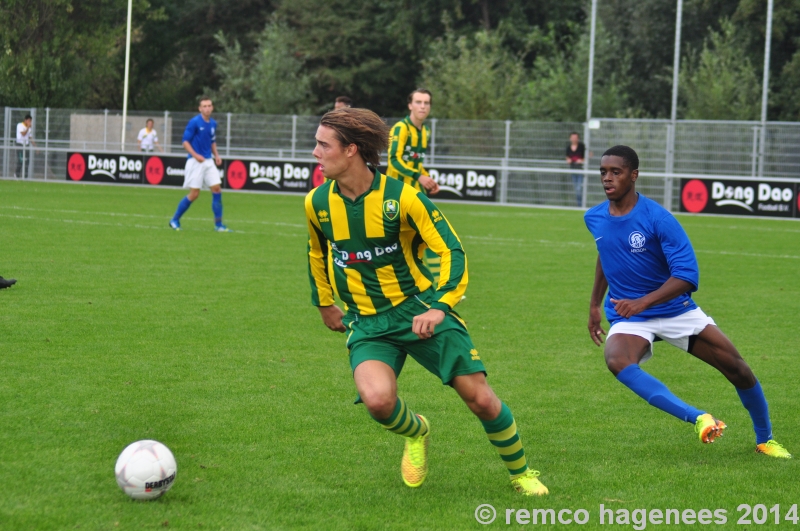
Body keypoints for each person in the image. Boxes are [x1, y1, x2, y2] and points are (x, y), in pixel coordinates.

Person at [305, 107, 549, 495]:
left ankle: (521, 474)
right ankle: (418, 432)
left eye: (322, 145)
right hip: (368, 322)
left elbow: (452, 250)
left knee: (481, 400)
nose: (315, 152)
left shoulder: (402, 198)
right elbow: (318, 253)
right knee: (378, 402)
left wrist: (440, 306)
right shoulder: (317, 202)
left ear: (351, 150)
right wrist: (323, 302)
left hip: (418, 310)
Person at [585, 145, 791, 459]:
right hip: (630, 316)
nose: (607, 178)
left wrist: (642, 302)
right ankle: (699, 417)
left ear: (634, 175)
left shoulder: (658, 218)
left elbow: (687, 275)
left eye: (616, 172)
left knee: (738, 369)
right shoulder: (594, 217)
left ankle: (766, 440)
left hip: (672, 310)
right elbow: (606, 252)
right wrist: (594, 305)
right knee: (616, 361)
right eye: (603, 172)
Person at [169, 97, 230, 232]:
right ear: (200, 108)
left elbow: (212, 141)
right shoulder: (194, 122)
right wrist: (196, 155)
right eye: (204, 106)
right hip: (195, 161)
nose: (207, 108)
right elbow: (185, 142)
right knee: (194, 194)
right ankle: (174, 219)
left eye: (209, 106)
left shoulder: (213, 123)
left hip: (208, 161)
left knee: (217, 189)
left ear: (212, 108)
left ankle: (218, 225)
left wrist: (217, 156)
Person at [386, 89, 439, 195]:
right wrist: (419, 176)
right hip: (396, 190)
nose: (423, 106)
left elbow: (416, 161)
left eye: (426, 103)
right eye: (418, 102)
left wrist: (428, 180)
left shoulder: (426, 131)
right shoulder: (400, 128)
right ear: (410, 106)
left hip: (416, 190)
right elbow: (393, 160)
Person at [566, 132, 585, 207]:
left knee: (579, 188)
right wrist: (568, 160)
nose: (574, 139)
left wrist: (581, 160)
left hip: (580, 170)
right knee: (576, 188)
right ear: (570, 138)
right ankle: (578, 204)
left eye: (575, 137)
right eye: (573, 137)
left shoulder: (582, 146)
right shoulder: (568, 147)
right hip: (573, 170)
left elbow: (587, 156)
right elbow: (567, 157)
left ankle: (580, 205)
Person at [15, 114, 36, 179]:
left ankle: (25, 176)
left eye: (30, 121)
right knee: (21, 160)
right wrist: (27, 127)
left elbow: (30, 137)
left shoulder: (29, 128)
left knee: (27, 161)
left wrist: (36, 147)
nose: (30, 122)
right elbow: (23, 134)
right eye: (29, 121)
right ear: (25, 120)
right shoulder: (20, 125)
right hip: (20, 145)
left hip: (26, 145)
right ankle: (16, 175)